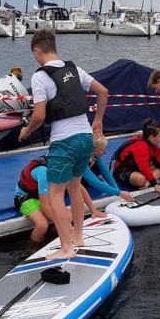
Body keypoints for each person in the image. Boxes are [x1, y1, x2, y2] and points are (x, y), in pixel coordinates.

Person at [17, 29, 108, 260]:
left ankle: (66, 248)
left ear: (37, 50)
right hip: (85, 138)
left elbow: (39, 116)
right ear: (54, 47)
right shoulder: (75, 70)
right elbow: (103, 91)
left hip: (64, 142)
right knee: (74, 187)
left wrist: (26, 131)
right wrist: (98, 120)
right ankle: (78, 236)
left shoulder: (40, 77)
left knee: (56, 194)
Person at [16, 155, 104, 252]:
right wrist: (63, 224)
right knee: (42, 225)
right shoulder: (44, 173)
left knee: (69, 217)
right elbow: (45, 206)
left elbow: (80, 189)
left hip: (46, 196)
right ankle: (30, 250)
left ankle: (51, 238)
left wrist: (93, 210)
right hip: (27, 198)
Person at [110, 119, 160, 193]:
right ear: (151, 137)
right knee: (140, 179)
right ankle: (145, 181)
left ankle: (147, 182)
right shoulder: (141, 146)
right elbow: (144, 167)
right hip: (122, 171)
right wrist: (156, 186)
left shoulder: (153, 145)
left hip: (136, 168)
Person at [81, 135, 134, 202]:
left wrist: (117, 189)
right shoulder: (82, 160)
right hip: (70, 182)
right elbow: (95, 182)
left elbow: (106, 173)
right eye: (102, 150)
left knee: (97, 169)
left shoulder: (94, 154)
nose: (105, 152)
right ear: (94, 149)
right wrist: (119, 193)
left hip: (83, 174)